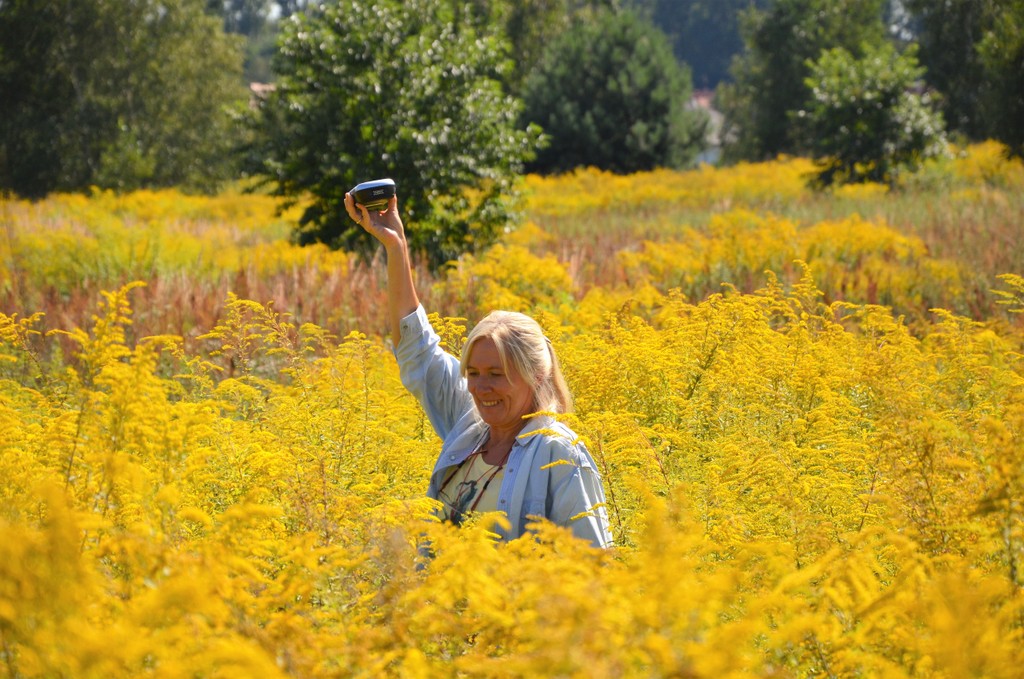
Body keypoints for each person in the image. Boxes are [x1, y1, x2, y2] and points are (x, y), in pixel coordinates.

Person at [345, 191, 613, 548]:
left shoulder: (561, 455)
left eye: (497, 374)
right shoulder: (470, 426)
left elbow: (593, 562)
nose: (480, 388)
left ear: (536, 374)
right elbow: (416, 348)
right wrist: (396, 247)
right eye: (472, 372)